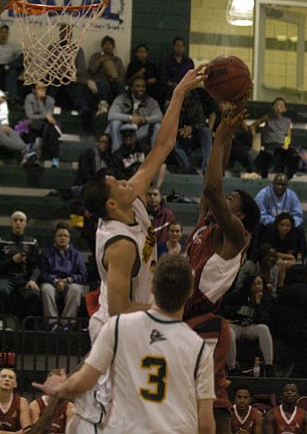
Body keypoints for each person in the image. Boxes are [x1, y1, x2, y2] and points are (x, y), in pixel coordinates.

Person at [75, 67, 205, 431]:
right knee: (107, 411)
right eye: (117, 183)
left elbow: (162, 147)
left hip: (142, 316)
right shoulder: (119, 246)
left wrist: (178, 93)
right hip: (116, 325)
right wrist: (162, 307)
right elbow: (117, 309)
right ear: (112, 206)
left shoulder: (128, 198)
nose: (124, 180)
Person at [29, 254, 216, 434]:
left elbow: (82, 382)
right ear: (190, 293)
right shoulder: (199, 348)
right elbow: (206, 423)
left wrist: (61, 387)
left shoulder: (119, 326)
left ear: (152, 287)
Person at [183, 99, 261, 433]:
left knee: (208, 399)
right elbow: (211, 186)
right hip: (184, 319)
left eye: (231, 202)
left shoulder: (236, 236)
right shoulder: (205, 225)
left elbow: (213, 189)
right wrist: (225, 134)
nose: (223, 199)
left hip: (206, 323)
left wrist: (217, 139)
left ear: (239, 216)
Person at [0, 211, 41, 320]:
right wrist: (12, 260)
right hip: (5, 277)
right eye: (15, 220)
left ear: (25, 223)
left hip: (24, 279)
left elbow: (36, 266)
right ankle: (1, 323)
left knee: (34, 294)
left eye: (21, 220)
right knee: (2, 291)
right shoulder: (1, 240)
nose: (18, 223)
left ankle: (28, 327)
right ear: (11, 223)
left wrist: (32, 280)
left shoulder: (32, 242)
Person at [222, 275, 274, 377]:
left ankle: (269, 365)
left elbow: (263, 319)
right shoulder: (238, 295)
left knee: (263, 328)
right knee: (229, 333)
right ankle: (232, 367)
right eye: (254, 284)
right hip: (235, 325)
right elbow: (226, 310)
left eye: (259, 283)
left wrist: (258, 304)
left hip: (250, 327)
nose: (257, 286)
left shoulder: (266, 299)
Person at [39, 222, 87, 332]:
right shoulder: (46, 252)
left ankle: (67, 322)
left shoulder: (76, 255)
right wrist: (55, 281)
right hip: (52, 282)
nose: (62, 238)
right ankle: (52, 322)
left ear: (69, 239)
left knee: (76, 289)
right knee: (46, 289)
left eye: (65, 236)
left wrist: (67, 280)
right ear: (54, 238)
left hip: (70, 282)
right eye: (60, 235)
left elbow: (83, 275)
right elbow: (43, 272)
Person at [107, 77, 163, 151]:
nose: (141, 89)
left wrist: (145, 120)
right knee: (115, 123)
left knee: (157, 126)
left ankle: (155, 158)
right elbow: (111, 115)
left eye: (143, 86)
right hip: (124, 130)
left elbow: (160, 117)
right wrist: (130, 118)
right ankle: (118, 156)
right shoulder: (121, 98)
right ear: (131, 88)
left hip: (140, 131)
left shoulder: (151, 101)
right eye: (138, 86)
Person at [252, 98, 300, 180]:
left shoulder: (286, 121)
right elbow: (253, 126)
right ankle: (264, 177)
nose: (278, 107)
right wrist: (255, 137)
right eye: (276, 105)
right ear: (273, 107)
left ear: (284, 109)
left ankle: (288, 177)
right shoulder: (267, 118)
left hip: (281, 146)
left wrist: (286, 144)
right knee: (266, 157)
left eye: (281, 106)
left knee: (294, 156)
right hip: (269, 145)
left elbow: (288, 135)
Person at [210, 100, 255, 177]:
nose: (222, 105)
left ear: (230, 105)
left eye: (224, 103)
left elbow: (246, 130)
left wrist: (240, 119)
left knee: (241, 153)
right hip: (218, 140)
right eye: (220, 103)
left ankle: (252, 172)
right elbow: (210, 130)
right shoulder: (214, 114)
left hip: (231, 141)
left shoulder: (234, 115)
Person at [172, 89, 213, 174]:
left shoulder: (195, 104)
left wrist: (191, 128)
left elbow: (202, 122)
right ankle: (188, 168)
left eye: (187, 91)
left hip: (194, 135)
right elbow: (168, 126)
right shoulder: (171, 105)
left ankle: (207, 168)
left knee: (206, 131)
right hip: (178, 135)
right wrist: (181, 131)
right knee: (170, 142)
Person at [22, 82, 61, 168]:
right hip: (30, 125)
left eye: (44, 88)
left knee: (51, 129)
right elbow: (29, 115)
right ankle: (30, 149)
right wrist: (40, 103)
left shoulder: (50, 100)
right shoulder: (29, 98)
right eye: (39, 88)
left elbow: (49, 117)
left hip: (45, 126)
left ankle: (55, 159)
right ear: (34, 90)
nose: (42, 90)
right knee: (36, 124)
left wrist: (40, 103)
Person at [0, 368, 31, 434]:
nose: (7, 379)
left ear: (15, 384)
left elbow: (26, 430)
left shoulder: (22, 401)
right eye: (3, 376)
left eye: (11, 377)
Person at [88, 36, 126, 106]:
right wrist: (99, 61)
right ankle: (103, 106)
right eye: (105, 44)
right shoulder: (96, 56)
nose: (107, 46)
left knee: (120, 86)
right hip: (100, 81)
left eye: (109, 44)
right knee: (104, 84)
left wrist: (115, 78)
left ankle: (123, 106)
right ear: (102, 46)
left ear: (113, 46)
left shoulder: (117, 60)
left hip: (114, 81)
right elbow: (91, 71)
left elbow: (122, 76)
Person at [161, 37, 195, 101]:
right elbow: (163, 76)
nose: (179, 48)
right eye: (177, 46)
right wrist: (173, 84)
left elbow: (192, 77)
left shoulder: (189, 61)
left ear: (184, 47)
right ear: (173, 47)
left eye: (181, 46)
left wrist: (187, 87)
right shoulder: (167, 60)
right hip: (171, 87)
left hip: (185, 87)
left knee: (195, 94)